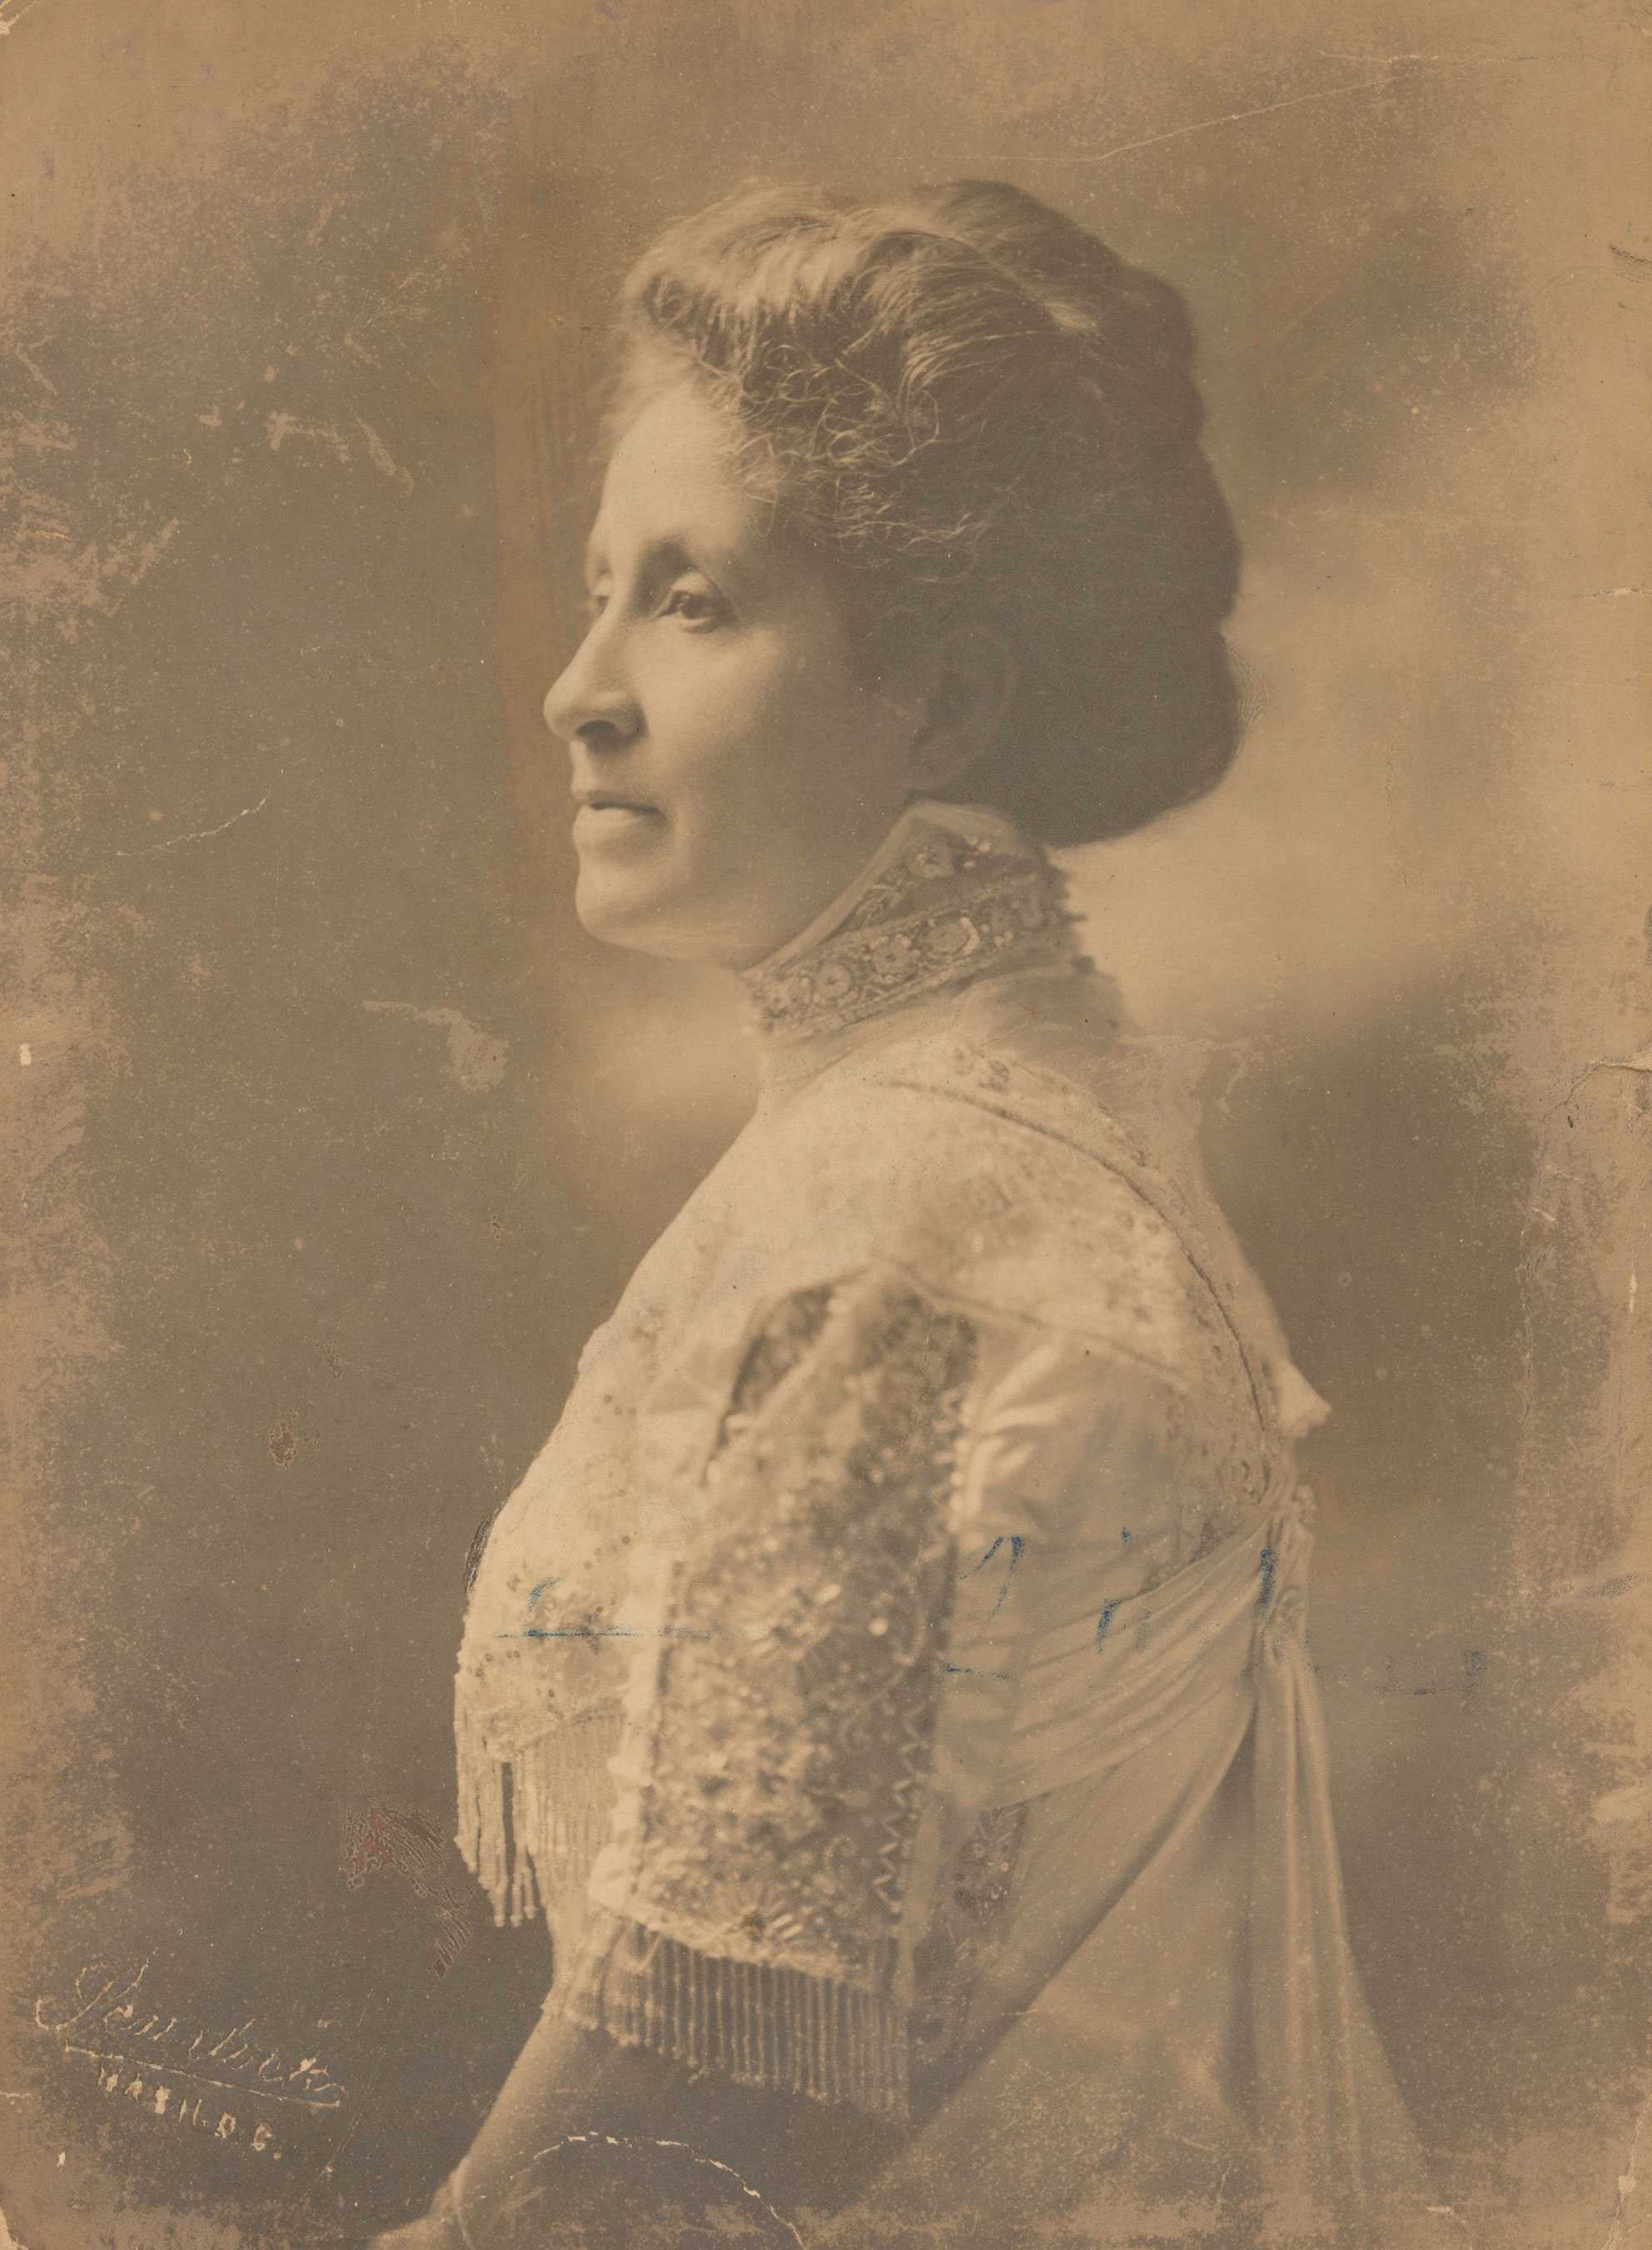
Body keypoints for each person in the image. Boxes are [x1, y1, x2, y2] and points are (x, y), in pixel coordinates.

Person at [372, 181, 1450, 2248]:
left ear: (942, 706)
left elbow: (679, 2114)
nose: (575, 689)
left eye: (689, 602)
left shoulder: (901, 1217)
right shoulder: (1025, 1114)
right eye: (598, 589)